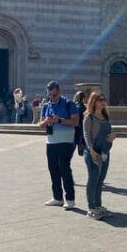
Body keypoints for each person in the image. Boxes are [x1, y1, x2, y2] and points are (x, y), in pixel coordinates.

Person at [39, 81, 79, 209]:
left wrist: (60, 120)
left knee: (64, 169)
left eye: (54, 95)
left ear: (59, 91)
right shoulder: (46, 106)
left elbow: (75, 122)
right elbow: (40, 124)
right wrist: (47, 121)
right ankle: (57, 197)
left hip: (66, 142)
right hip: (50, 142)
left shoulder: (69, 104)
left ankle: (70, 199)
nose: (52, 97)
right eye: (50, 95)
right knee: (53, 170)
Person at [83, 92, 116, 220]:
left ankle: (98, 206)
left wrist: (114, 136)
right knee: (93, 178)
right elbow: (86, 135)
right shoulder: (89, 117)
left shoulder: (105, 116)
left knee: (100, 180)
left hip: (105, 152)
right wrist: (91, 151)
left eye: (104, 99)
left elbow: (110, 132)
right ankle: (91, 208)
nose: (103, 102)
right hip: (93, 152)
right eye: (99, 99)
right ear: (93, 102)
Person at [73, 91, 87, 155]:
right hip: (80, 130)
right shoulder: (83, 107)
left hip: (74, 130)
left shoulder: (74, 106)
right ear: (83, 98)